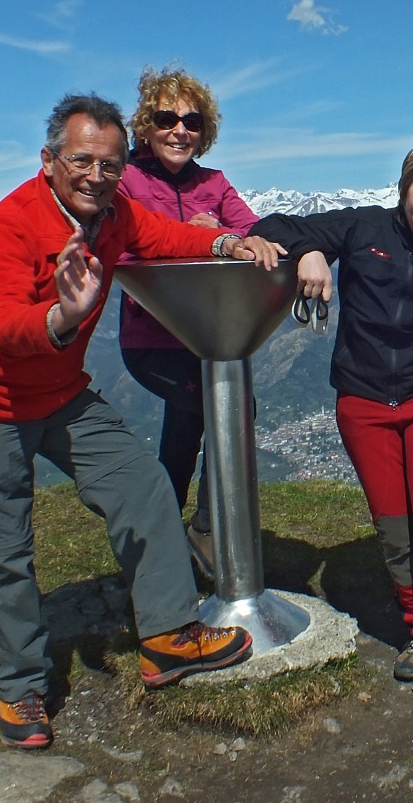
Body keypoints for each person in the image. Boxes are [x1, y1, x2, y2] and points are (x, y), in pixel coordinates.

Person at [0, 92, 283, 749]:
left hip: (58, 392)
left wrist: (229, 240)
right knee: (5, 549)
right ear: (50, 160)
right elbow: (4, 326)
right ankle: (22, 688)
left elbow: (168, 237)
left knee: (141, 482)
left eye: (110, 164)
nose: (97, 175)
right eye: (82, 160)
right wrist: (62, 316)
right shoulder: (11, 226)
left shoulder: (115, 214)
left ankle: (170, 636)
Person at [249, 139, 413, 707]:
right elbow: (270, 224)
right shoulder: (363, 228)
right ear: (404, 188)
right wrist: (308, 252)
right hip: (364, 406)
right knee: (395, 532)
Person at [118, 66, 329, 575]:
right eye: (167, 118)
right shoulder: (125, 180)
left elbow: (259, 229)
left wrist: (305, 250)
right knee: (223, 405)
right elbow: (124, 243)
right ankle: (203, 529)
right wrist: (195, 235)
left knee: (186, 426)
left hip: (205, 336)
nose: (179, 130)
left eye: (192, 122)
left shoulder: (213, 183)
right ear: (146, 124)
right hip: (153, 339)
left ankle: (162, 540)